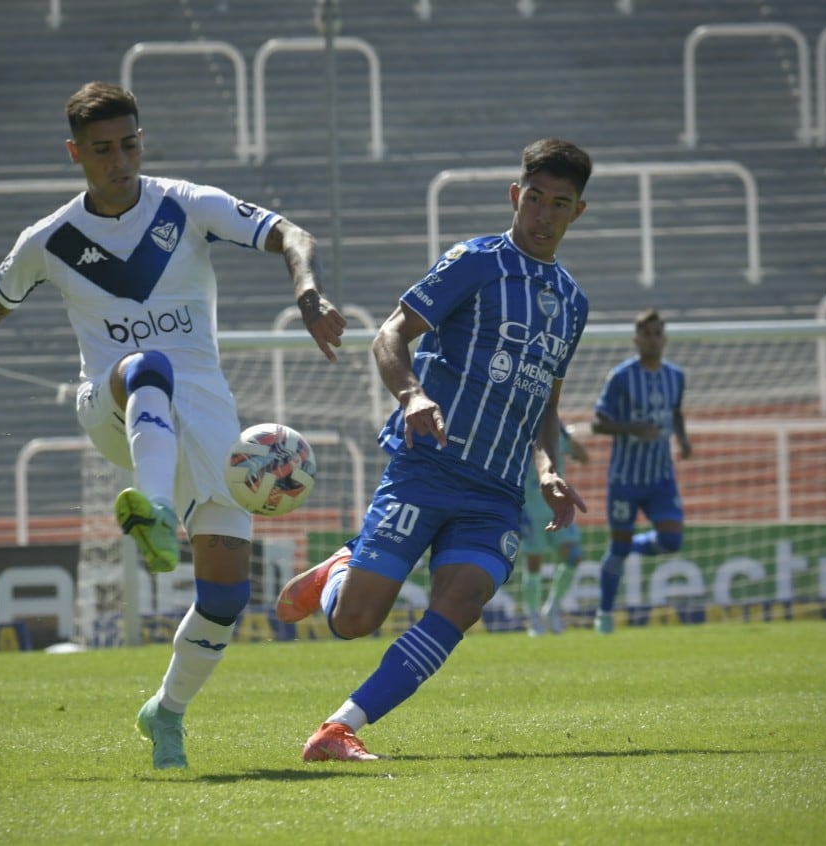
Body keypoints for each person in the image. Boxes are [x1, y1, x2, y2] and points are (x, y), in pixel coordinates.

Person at [0, 82, 346, 769]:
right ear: (76, 153)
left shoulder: (186, 205)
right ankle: (155, 510)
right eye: (104, 149)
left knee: (227, 595)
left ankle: (164, 713)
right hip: (115, 405)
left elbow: (292, 233)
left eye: (130, 144)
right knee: (149, 365)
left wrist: (307, 289)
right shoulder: (48, 240)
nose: (121, 161)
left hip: (210, 425)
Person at [275, 138, 592, 762]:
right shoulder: (475, 262)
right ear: (515, 196)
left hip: (497, 492)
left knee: (463, 599)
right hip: (428, 467)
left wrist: (548, 468)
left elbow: (545, 402)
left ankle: (338, 728)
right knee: (355, 621)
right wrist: (412, 395)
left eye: (560, 204)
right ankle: (340, 571)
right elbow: (390, 334)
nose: (544, 215)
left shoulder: (574, 303)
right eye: (534, 199)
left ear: (578, 212)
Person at [590, 307, 691, 634]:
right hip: (625, 479)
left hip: (661, 476)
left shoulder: (676, 376)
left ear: (664, 337)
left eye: (657, 333)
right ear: (636, 339)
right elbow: (598, 424)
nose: (653, 339)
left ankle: (627, 548)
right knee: (617, 548)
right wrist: (633, 427)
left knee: (672, 540)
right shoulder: (621, 377)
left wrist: (683, 439)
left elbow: (675, 412)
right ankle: (604, 615)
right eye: (646, 334)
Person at [520, 419, 588, 636]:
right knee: (534, 563)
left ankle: (552, 608)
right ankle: (533, 617)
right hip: (530, 507)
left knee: (573, 556)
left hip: (557, 504)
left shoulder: (556, 431)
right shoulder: (520, 427)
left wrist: (568, 437)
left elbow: (584, 458)